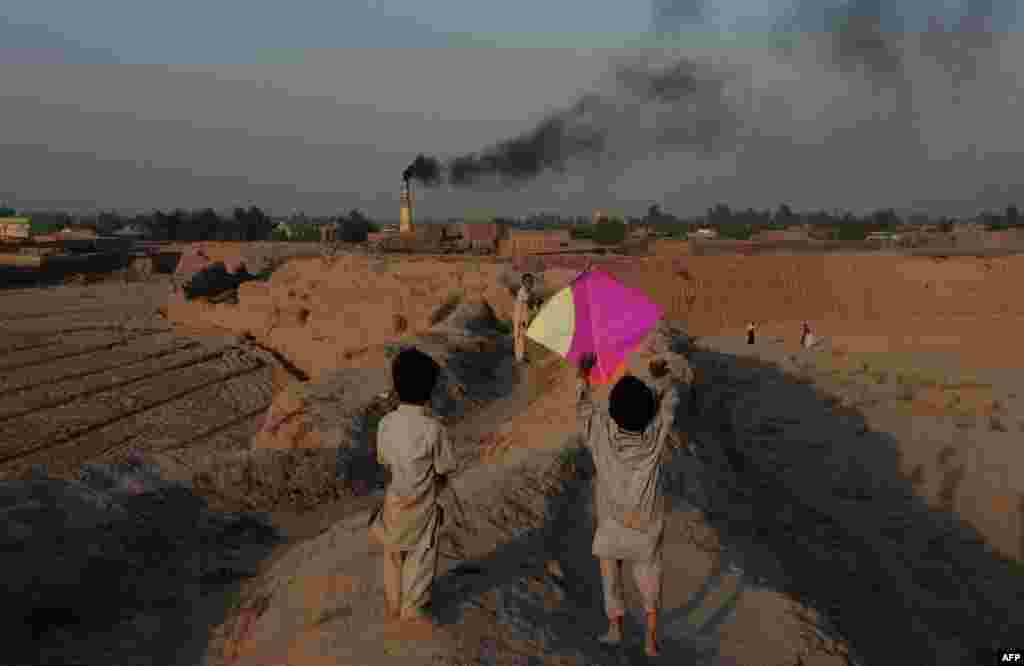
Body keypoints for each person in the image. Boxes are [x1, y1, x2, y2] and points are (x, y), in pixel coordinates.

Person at [574, 351, 683, 657]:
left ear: (612, 410)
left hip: (611, 528)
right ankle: (650, 639)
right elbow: (670, 402)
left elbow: (583, 409)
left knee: (610, 578)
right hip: (645, 531)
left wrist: (584, 374)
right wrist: (660, 378)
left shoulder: (600, 437)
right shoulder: (654, 439)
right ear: (648, 413)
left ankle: (614, 629)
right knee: (650, 579)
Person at [369, 348, 458, 626]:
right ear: (430, 390)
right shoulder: (434, 429)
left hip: (395, 501)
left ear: (395, 386)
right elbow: (445, 468)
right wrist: (437, 482)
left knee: (393, 551)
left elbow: (384, 461)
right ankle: (413, 606)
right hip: (423, 505)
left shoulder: (385, 424)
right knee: (422, 553)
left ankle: (393, 602)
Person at [513, 273, 539, 363]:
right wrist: (521, 321)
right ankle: (519, 358)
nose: (530, 284)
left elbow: (531, 304)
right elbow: (520, 308)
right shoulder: (522, 292)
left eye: (531, 282)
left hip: (525, 317)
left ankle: (521, 356)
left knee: (522, 337)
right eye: (528, 282)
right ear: (523, 282)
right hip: (520, 317)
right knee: (519, 337)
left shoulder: (528, 292)